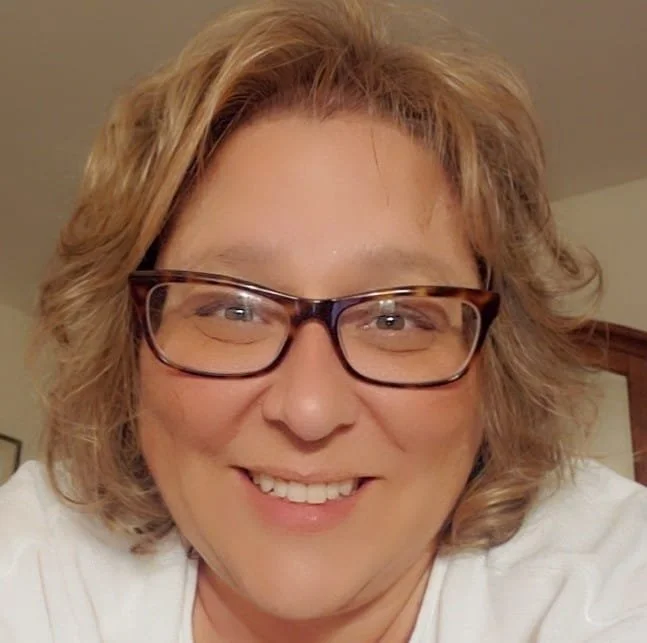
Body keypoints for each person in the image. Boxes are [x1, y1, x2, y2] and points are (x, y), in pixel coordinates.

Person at [1, 0, 646, 641]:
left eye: (395, 318)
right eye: (233, 308)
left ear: (494, 370)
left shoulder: (610, 587)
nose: (309, 409)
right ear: (132, 348)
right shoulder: (34, 566)